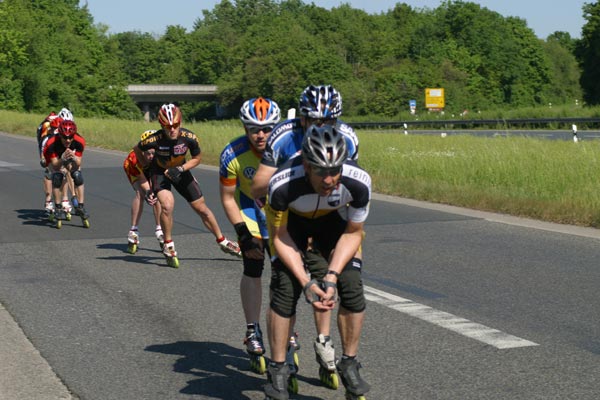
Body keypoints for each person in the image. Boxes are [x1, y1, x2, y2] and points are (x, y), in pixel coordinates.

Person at [250, 84, 360, 381]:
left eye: (328, 122)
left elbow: (348, 188)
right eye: (313, 121)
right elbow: (257, 186)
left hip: (328, 213)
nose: (320, 127)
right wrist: (297, 170)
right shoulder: (283, 135)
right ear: (301, 118)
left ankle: (325, 343)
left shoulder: (347, 137)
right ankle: (280, 360)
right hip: (290, 209)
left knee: (339, 277)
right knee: (287, 285)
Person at [263, 125, 371, 400]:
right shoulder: (282, 184)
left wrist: (331, 276)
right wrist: (306, 280)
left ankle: (349, 363)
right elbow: (279, 236)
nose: (329, 179)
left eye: (335, 170)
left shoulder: (358, 182)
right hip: (292, 224)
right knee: (285, 290)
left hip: (332, 222)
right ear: (307, 166)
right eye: (321, 171)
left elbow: (353, 232)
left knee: (352, 286)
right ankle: (277, 370)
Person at [133, 103, 240, 267]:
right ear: (161, 126)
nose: (172, 130)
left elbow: (197, 159)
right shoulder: (154, 139)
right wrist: (147, 169)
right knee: (167, 205)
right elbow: (137, 149)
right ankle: (168, 245)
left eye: (175, 125)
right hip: (159, 173)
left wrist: (181, 168)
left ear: (180, 122)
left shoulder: (189, 137)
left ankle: (222, 241)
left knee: (202, 208)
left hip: (180, 171)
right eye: (168, 127)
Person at [218, 97, 281, 373]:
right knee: (253, 270)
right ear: (245, 128)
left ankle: (284, 326)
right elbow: (227, 197)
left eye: (267, 128)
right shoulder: (232, 153)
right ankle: (253, 329)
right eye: (254, 128)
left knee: (284, 277)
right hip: (250, 216)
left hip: (282, 219)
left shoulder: (288, 150)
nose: (260, 135)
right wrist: (240, 230)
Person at [123, 130, 164, 254]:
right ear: (142, 151)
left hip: (151, 169)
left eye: (153, 153)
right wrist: (148, 191)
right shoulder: (134, 158)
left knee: (157, 194)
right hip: (134, 170)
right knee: (141, 194)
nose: (151, 156)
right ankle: (133, 229)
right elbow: (142, 180)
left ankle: (159, 229)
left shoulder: (161, 154)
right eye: (148, 153)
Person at [42, 119, 89, 221]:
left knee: (77, 175)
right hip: (53, 157)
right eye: (65, 137)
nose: (68, 140)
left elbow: (78, 163)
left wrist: (74, 158)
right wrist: (62, 159)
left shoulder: (79, 141)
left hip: (69, 155)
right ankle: (58, 207)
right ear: (60, 135)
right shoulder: (51, 143)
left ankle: (81, 206)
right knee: (57, 177)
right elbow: (55, 165)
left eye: (70, 137)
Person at [37, 108, 76, 214]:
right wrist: (43, 159)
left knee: (65, 168)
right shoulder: (47, 127)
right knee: (48, 170)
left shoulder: (68, 129)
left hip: (59, 142)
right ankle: (48, 200)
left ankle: (65, 199)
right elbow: (44, 143)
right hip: (44, 137)